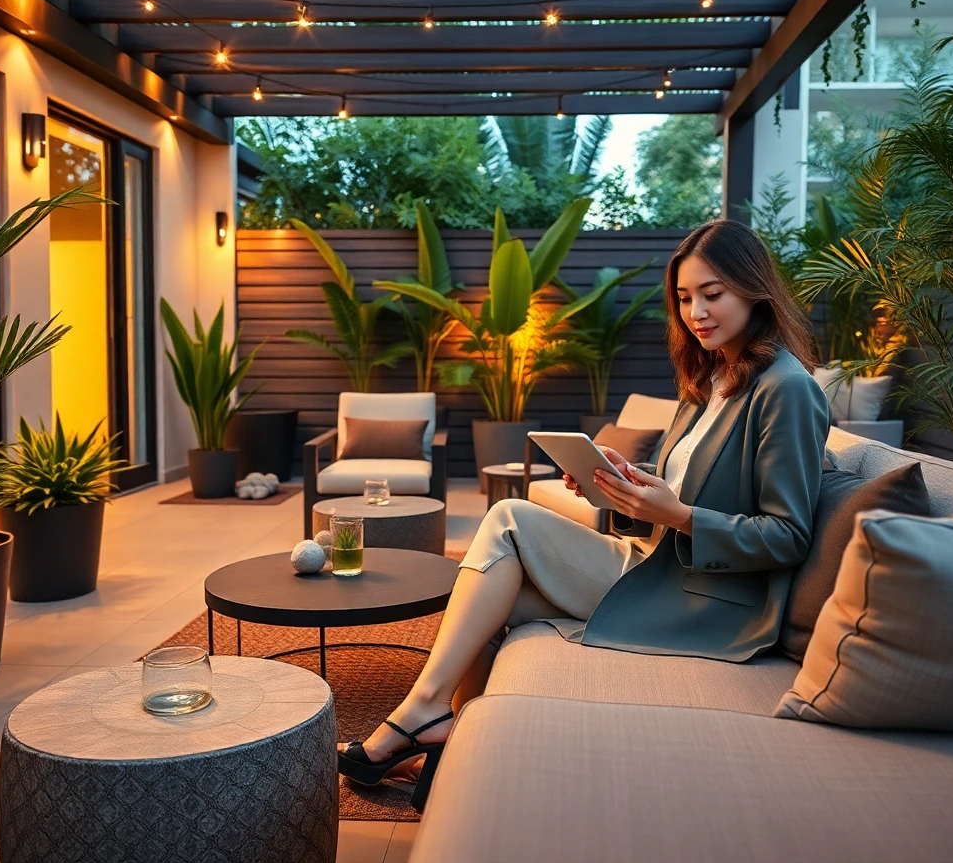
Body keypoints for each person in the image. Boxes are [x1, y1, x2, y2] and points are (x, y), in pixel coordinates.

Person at [337, 220, 831, 802]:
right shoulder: (712, 377)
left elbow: (788, 535)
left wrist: (675, 516)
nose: (696, 311)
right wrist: (622, 488)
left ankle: (420, 712)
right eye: (684, 297)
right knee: (493, 605)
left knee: (508, 519)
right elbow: (680, 493)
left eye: (712, 294)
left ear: (754, 289)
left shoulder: (787, 390)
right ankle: (457, 755)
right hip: (658, 565)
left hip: (714, 603)